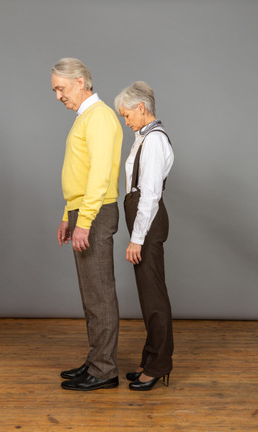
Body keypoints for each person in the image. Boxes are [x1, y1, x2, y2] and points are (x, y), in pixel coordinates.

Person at [51, 58, 123, 391]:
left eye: (60, 88)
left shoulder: (101, 117)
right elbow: (79, 175)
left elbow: (99, 175)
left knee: (100, 295)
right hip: (83, 212)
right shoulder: (86, 118)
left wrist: (85, 220)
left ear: (80, 82)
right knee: (90, 295)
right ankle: (96, 361)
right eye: (55, 90)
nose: (58, 96)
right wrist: (70, 216)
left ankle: (105, 371)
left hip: (95, 213)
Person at [114, 81, 174, 391]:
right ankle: (150, 360)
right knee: (147, 295)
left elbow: (149, 194)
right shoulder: (144, 138)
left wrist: (137, 238)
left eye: (126, 115)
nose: (126, 122)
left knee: (154, 298)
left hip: (146, 221)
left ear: (141, 108)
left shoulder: (154, 141)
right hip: (141, 218)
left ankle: (159, 364)